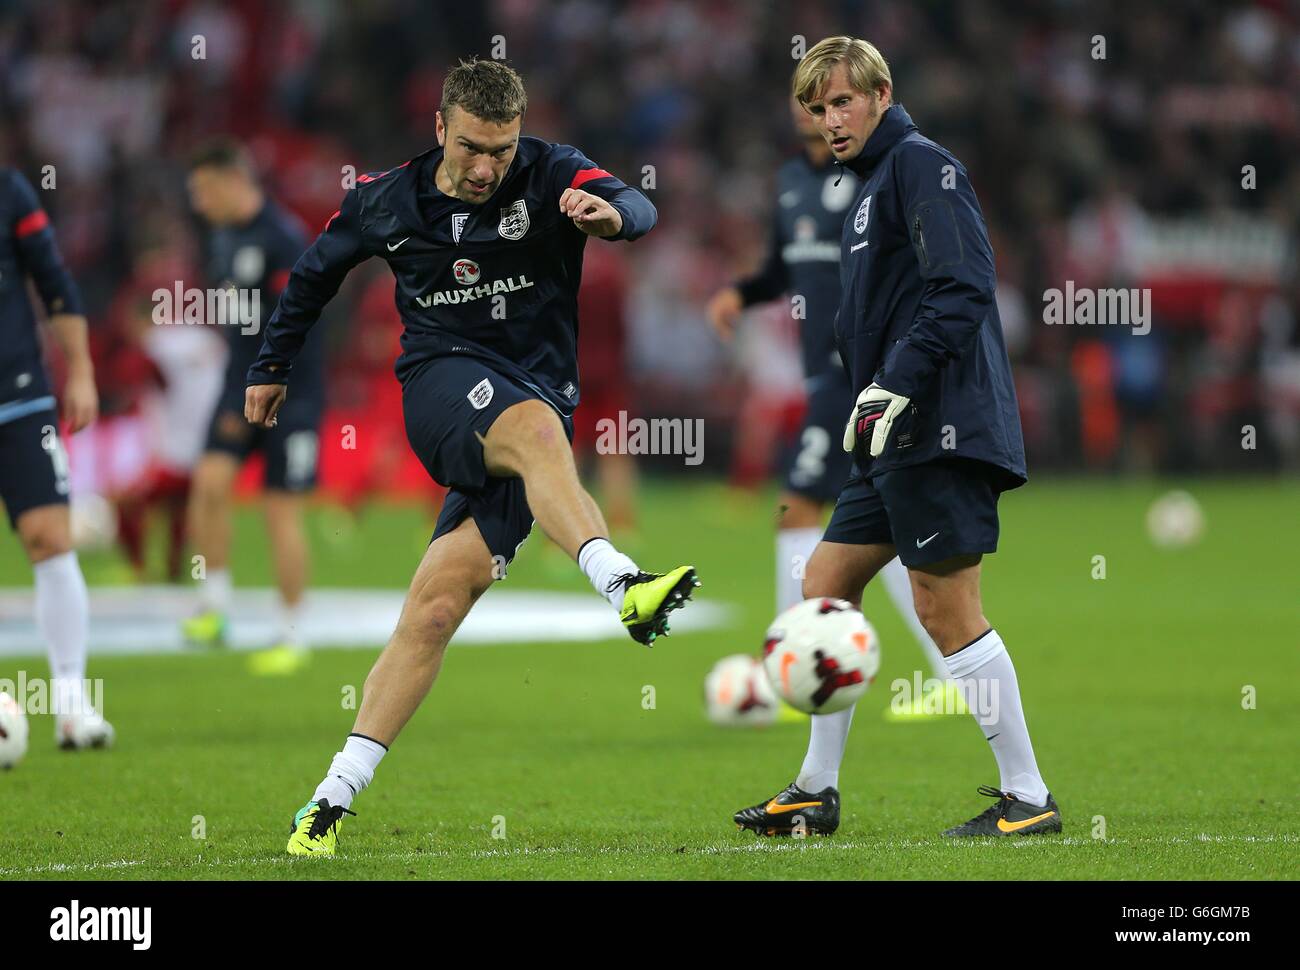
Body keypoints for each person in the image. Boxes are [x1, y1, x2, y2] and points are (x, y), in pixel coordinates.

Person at [243, 58, 698, 855]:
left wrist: (610, 219)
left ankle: (327, 801)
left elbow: (639, 203)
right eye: (472, 149)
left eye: (502, 149)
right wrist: (271, 366)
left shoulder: (553, 171)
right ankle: (621, 583)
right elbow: (312, 278)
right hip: (442, 386)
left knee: (437, 608)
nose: (488, 167)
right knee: (533, 431)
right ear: (441, 130)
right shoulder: (385, 200)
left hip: (536, 411)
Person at [735, 37, 1060, 839]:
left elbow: (965, 287)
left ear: (883, 92)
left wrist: (895, 383)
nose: (830, 119)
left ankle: (1029, 796)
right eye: (816, 108)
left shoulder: (920, 164)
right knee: (823, 583)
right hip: (889, 432)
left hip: (937, 423)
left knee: (944, 605)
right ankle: (816, 787)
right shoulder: (874, 181)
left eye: (843, 100)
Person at [706, 94, 953, 722]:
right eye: (808, 102)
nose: (817, 115)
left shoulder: (880, 176)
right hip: (824, 376)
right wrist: (743, 291)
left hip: (864, 375)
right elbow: (783, 267)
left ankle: (790, 664)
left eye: (828, 103)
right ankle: (939, 668)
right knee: (876, 525)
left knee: (799, 509)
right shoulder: (791, 180)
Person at [182, 140, 319, 676]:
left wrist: (277, 382)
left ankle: (291, 635)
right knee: (210, 483)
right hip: (238, 389)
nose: (198, 202)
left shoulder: (283, 238)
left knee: (280, 510)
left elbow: (302, 320)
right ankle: (215, 607)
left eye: (202, 190)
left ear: (231, 179)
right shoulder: (221, 238)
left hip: (292, 392)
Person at [0, 166, 113, 748]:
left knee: (50, 537)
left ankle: (71, 704)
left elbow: (55, 283)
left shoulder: (10, 189)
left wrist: (83, 374)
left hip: (19, 393)